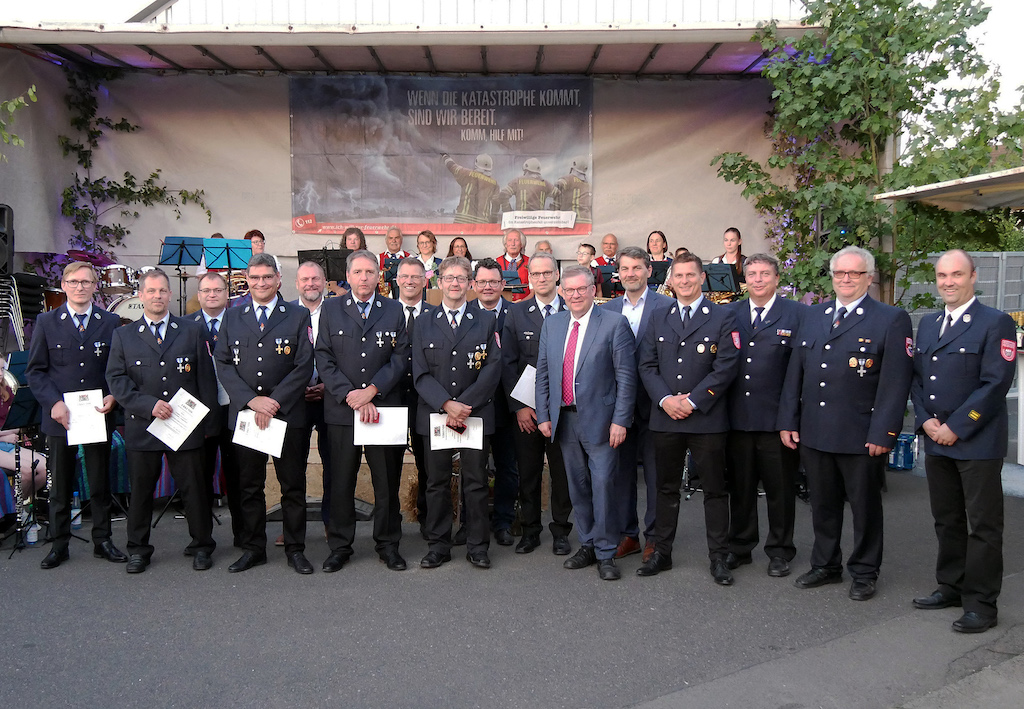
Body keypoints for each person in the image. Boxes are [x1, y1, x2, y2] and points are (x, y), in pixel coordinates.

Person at [779, 245, 913, 601]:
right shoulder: (814, 315)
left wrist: (884, 432)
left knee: (865, 507)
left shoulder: (890, 319)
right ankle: (825, 565)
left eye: (854, 273)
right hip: (816, 429)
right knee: (822, 503)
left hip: (861, 432)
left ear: (869, 278)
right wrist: (788, 420)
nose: (846, 280)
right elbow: (796, 372)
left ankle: (865, 571)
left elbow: (895, 383)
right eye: (840, 273)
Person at [910, 250, 1016, 634]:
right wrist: (926, 422)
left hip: (975, 442)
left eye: (956, 274)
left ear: (973, 276)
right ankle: (950, 586)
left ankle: (982, 604)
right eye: (942, 275)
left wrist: (956, 425)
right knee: (947, 521)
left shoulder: (995, 322)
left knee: (983, 527)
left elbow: (995, 383)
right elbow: (918, 379)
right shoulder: (928, 323)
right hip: (938, 439)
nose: (948, 282)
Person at [637, 253, 741, 584]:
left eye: (690, 275)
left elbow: (726, 367)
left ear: (702, 279)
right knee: (665, 488)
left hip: (706, 418)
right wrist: (667, 400)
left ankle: (718, 557)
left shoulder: (722, 317)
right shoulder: (658, 316)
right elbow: (647, 365)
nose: (684, 281)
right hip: (666, 417)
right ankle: (662, 554)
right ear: (670, 280)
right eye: (678, 276)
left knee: (714, 490)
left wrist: (693, 402)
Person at [106, 268, 219, 573]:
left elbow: (205, 379)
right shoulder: (124, 335)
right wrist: (148, 405)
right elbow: (116, 380)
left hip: (186, 426)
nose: (157, 296)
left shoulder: (191, 330)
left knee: (194, 489)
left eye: (162, 291)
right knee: (141, 492)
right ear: (141, 295)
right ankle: (138, 549)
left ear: (171, 294)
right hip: (144, 426)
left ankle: (202, 545)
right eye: (151, 291)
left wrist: (208, 426)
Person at [215, 253, 315, 575]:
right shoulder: (232, 317)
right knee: (249, 486)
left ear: (278, 279)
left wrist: (274, 402)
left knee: (292, 485)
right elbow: (223, 363)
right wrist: (251, 400)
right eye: (255, 278)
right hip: (247, 416)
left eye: (267, 277)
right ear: (248, 280)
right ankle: (253, 548)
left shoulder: (297, 316)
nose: (261, 283)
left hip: (286, 415)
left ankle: (296, 549)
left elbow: (304, 365)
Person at [536, 264, 636, 581]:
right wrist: (543, 415)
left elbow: (626, 378)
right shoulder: (552, 325)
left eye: (582, 289)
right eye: (570, 290)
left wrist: (621, 420)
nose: (576, 295)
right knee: (577, 488)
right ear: (562, 292)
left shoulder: (613, 324)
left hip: (603, 423)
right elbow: (543, 374)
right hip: (564, 421)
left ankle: (607, 552)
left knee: (604, 486)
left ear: (593, 290)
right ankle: (588, 544)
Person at [26, 261, 126, 569]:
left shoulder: (110, 322)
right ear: (64, 285)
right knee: (60, 486)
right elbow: (36, 371)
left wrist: (113, 395)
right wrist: (53, 403)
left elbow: (117, 368)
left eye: (86, 281)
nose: (80, 286)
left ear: (96, 286)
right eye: (73, 281)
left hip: (98, 413)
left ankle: (103, 540)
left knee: (99, 482)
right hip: (61, 418)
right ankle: (59, 544)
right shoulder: (46, 321)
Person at [315, 250, 410, 572]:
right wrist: (350, 395)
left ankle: (388, 545)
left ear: (379, 275)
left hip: (383, 408)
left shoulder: (394, 309)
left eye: (370, 272)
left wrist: (371, 391)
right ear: (348, 275)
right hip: (343, 411)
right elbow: (324, 357)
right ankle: (340, 546)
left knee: (387, 482)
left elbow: (400, 358)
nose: (364, 278)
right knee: (341, 481)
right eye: (358, 272)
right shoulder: (330, 309)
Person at [413, 256, 501, 570]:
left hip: (474, 414)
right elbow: (419, 372)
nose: (455, 283)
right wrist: (446, 405)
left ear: (470, 284)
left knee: (476, 483)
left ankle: (478, 546)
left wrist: (465, 406)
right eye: (449, 278)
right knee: (436, 483)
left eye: (461, 278)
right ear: (438, 282)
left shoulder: (486, 320)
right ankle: (439, 545)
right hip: (437, 414)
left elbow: (492, 369)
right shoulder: (423, 321)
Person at [724, 253, 805, 579]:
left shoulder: (798, 314)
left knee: (780, 490)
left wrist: (790, 419)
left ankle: (780, 551)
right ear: (744, 280)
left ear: (776, 279)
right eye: (752, 274)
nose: (757, 280)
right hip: (737, 419)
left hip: (776, 421)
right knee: (740, 488)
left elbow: (798, 372)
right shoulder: (730, 313)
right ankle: (740, 547)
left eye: (764, 274)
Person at [601, 247, 673, 563]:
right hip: (618, 407)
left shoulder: (667, 306)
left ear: (649, 271)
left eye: (636, 268)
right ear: (618, 273)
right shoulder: (607, 309)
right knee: (620, 474)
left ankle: (655, 539)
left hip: (656, 404)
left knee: (657, 476)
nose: (630, 273)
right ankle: (627, 534)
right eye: (625, 268)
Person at [501, 252, 573, 555]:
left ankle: (561, 531)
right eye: (536, 274)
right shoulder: (517, 314)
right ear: (529, 277)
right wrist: (519, 407)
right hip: (527, 412)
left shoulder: (573, 309)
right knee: (528, 473)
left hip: (563, 411)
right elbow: (508, 363)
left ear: (557, 275)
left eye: (547, 273)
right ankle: (530, 530)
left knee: (562, 473)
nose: (541, 279)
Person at [191, 272, 243, 548]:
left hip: (236, 409)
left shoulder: (240, 322)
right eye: (206, 290)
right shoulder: (186, 326)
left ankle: (243, 536)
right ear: (198, 295)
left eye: (218, 290)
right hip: (200, 415)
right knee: (199, 479)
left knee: (238, 477)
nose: (212, 294)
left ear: (227, 294)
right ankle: (201, 539)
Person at [470, 259, 517, 546]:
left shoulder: (517, 314)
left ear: (502, 285)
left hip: (508, 406)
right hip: (472, 408)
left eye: (493, 281)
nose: (488, 287)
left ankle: (503, 522)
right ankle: (470, 525)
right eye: (482, 282)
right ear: (473, 285)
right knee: (472, 469)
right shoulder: (463, 315)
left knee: (507, 467)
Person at [393, 257, 436, 535]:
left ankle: (428, 520)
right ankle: (390, 524)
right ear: (396, 280)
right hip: (392, 400)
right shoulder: (384, 313)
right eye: (405, 276)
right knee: (390, 466)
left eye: (416, 276)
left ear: (425, 281)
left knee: (428, 465)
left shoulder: (435, 314)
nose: (410, 281)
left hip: (426, 401)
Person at [293, 262, 331, 544]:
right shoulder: (286, 314)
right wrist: (298, 387)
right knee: (292, 467)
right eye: (305, 279)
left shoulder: (337, 311)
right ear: (296, 283)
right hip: (295, 400)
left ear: (325, 282)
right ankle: (293, 528)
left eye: (315, 279)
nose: (310, 284)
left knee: (335, 465)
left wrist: (328, 386)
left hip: (332, 398)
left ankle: (333, 523)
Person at [442, 153, 500, 224]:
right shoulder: (494, 184)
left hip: (462, 221)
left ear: (476, 163)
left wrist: (445, 156)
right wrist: (493, 220)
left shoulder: (466, 174)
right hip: (482, 224)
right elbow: (496, 204)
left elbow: (451, 166)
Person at [550, 156, 592, 224]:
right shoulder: (587, 184)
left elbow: (558, 185)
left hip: (574, 220)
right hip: (587, 220)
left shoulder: (569, 179)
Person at [495, 228, 531, 302]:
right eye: (510, 240)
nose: (513, 244)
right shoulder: (496, 262)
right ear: (505, 244)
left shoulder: (530, 262)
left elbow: (534, 291)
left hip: (524, 305)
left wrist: (521, 303)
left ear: (522, 244)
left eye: (516, 240)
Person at [378, 226, 410, 297]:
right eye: (390, 238)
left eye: (397, 238)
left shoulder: (411, 259)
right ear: (386, 240)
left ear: (401, 240)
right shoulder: (377, 259)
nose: (394, 240)